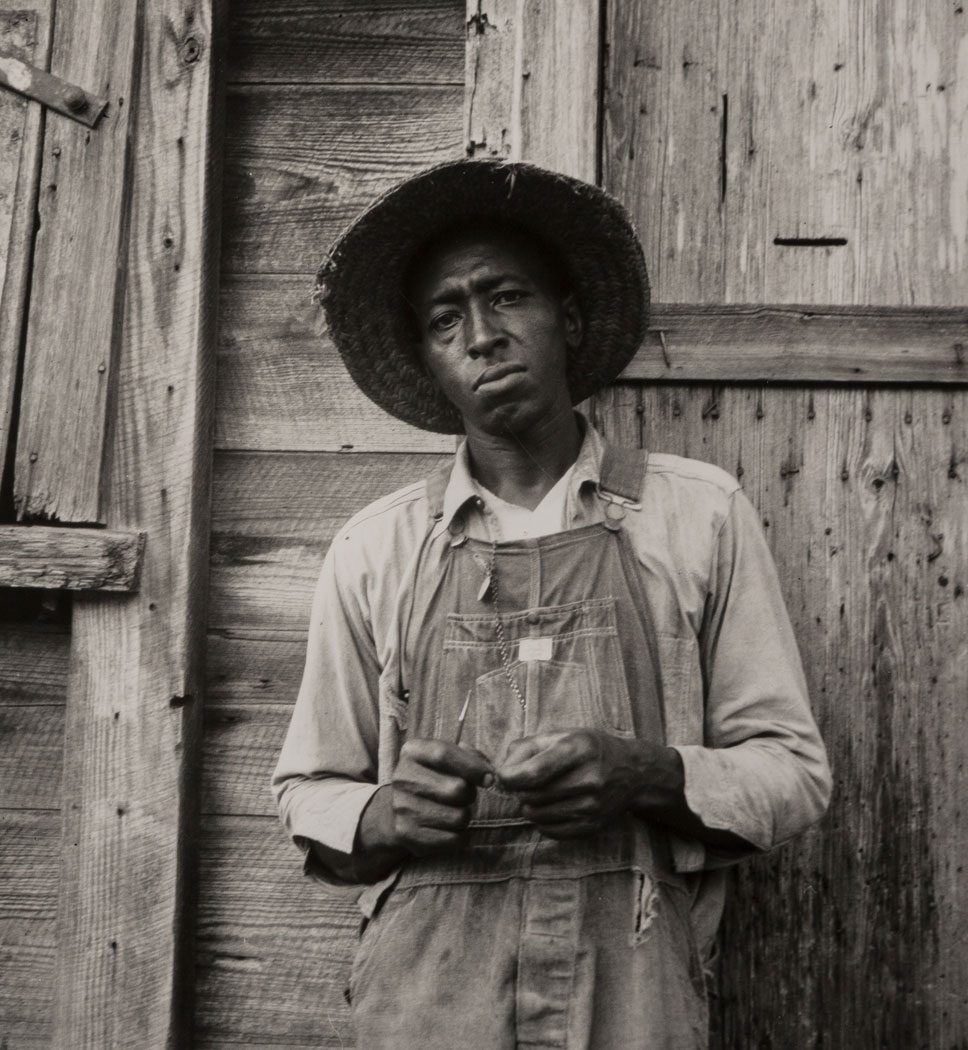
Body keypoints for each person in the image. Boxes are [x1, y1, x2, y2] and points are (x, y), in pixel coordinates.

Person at [272, 158, 831, 1049]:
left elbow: (793, 774)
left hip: (633, 991)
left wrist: (645, 774)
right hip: (428, 1000)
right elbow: (308, 788)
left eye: (506, 297)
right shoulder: (376, 549)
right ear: (428, 359)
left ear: (567, 319)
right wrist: (384, 816)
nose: (481, 336)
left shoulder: (698, 516)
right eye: (445, 319)